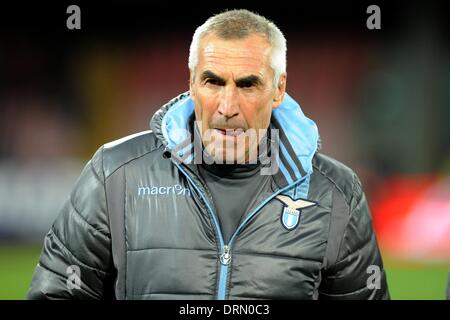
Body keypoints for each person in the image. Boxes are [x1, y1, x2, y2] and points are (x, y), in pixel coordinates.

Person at [27, 9, 389, 300]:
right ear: (191, 82)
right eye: (213, 81)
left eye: (248, 84)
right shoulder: (114, 174)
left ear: (278, 90)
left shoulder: (336, 192)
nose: (227, 106)